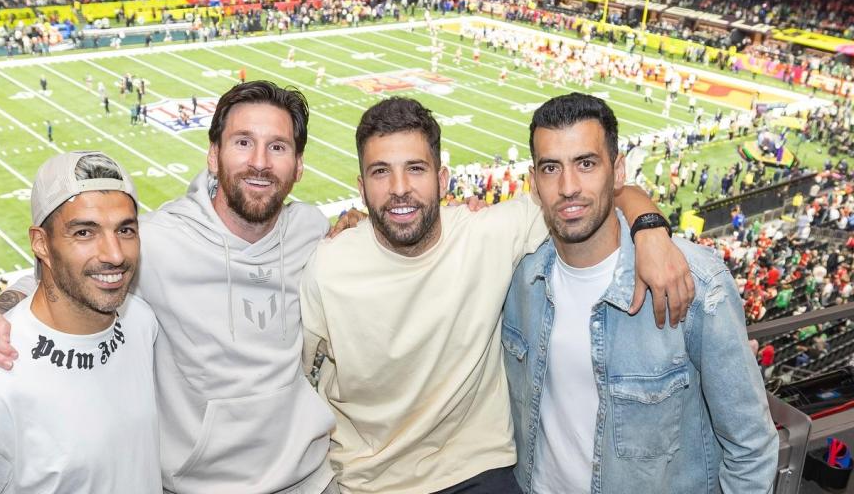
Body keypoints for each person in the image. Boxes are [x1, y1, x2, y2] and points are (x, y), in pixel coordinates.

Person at [0, 82, 340, 493]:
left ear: (298, 166)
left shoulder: (309, 228)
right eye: (243, 142)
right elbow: (65, 276)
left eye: (278, 147)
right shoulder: (156, 241)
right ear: (213, 155)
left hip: (310, 480)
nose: (259, 162)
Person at [301, 98, 692, 493]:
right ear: (361, 186)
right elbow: (298, 380)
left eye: (415, 169)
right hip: (370, 483)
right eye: (380, 172)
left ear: (442, 179)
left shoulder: (489, 233)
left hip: (478, 471)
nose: (399, 189)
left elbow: (588, 192)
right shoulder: (328, 267)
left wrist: (650, 226)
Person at [503, 93, 778, 493]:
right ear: (534, 182)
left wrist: (649, 224)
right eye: (551, 168)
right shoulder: (519, 278)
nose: (568, 186)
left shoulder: (695, 283)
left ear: (618, 173)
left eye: (586, 163)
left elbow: (751, 446)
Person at [0, 151, 161, 492]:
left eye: (125, 230)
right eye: (84, 233)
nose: (114, 254)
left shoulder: (141, 323)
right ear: (41, 243)